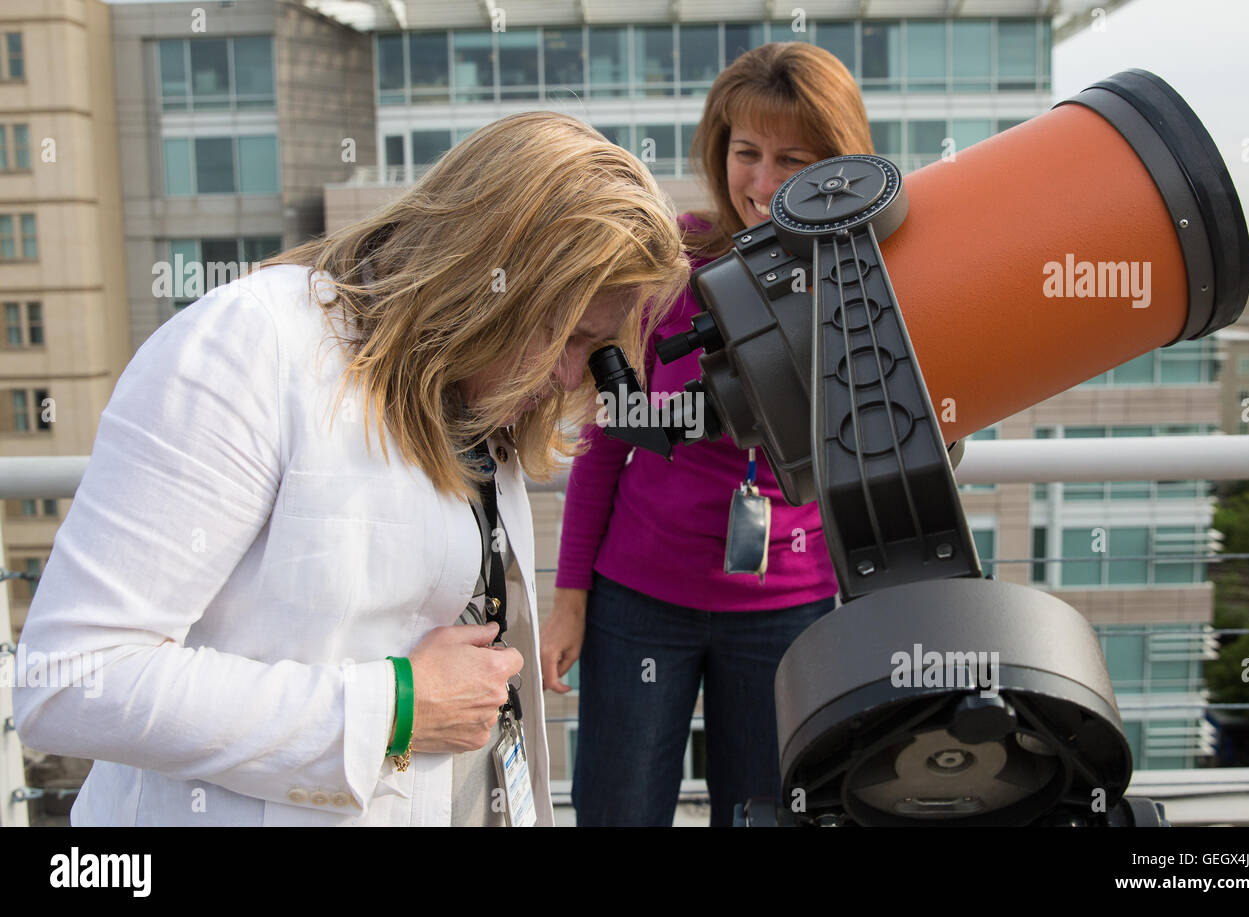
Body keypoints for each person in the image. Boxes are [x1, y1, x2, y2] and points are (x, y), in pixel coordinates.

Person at [13, 111, 688, 826]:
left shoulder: (476, 393)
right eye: (566, 336)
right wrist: (389, 709)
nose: (565, 374)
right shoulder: (246, 347)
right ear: (485, 280)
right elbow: (70, 680)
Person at [541, 43, 876, 827]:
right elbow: (607, 440)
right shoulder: (674, 260)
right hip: (639, 600)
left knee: (764, 814)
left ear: (837, 163)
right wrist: (570, 602)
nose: (761, 183)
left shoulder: (863, 282)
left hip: (788, 607)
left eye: (792, 159)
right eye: (746, 152)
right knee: (617, 810)